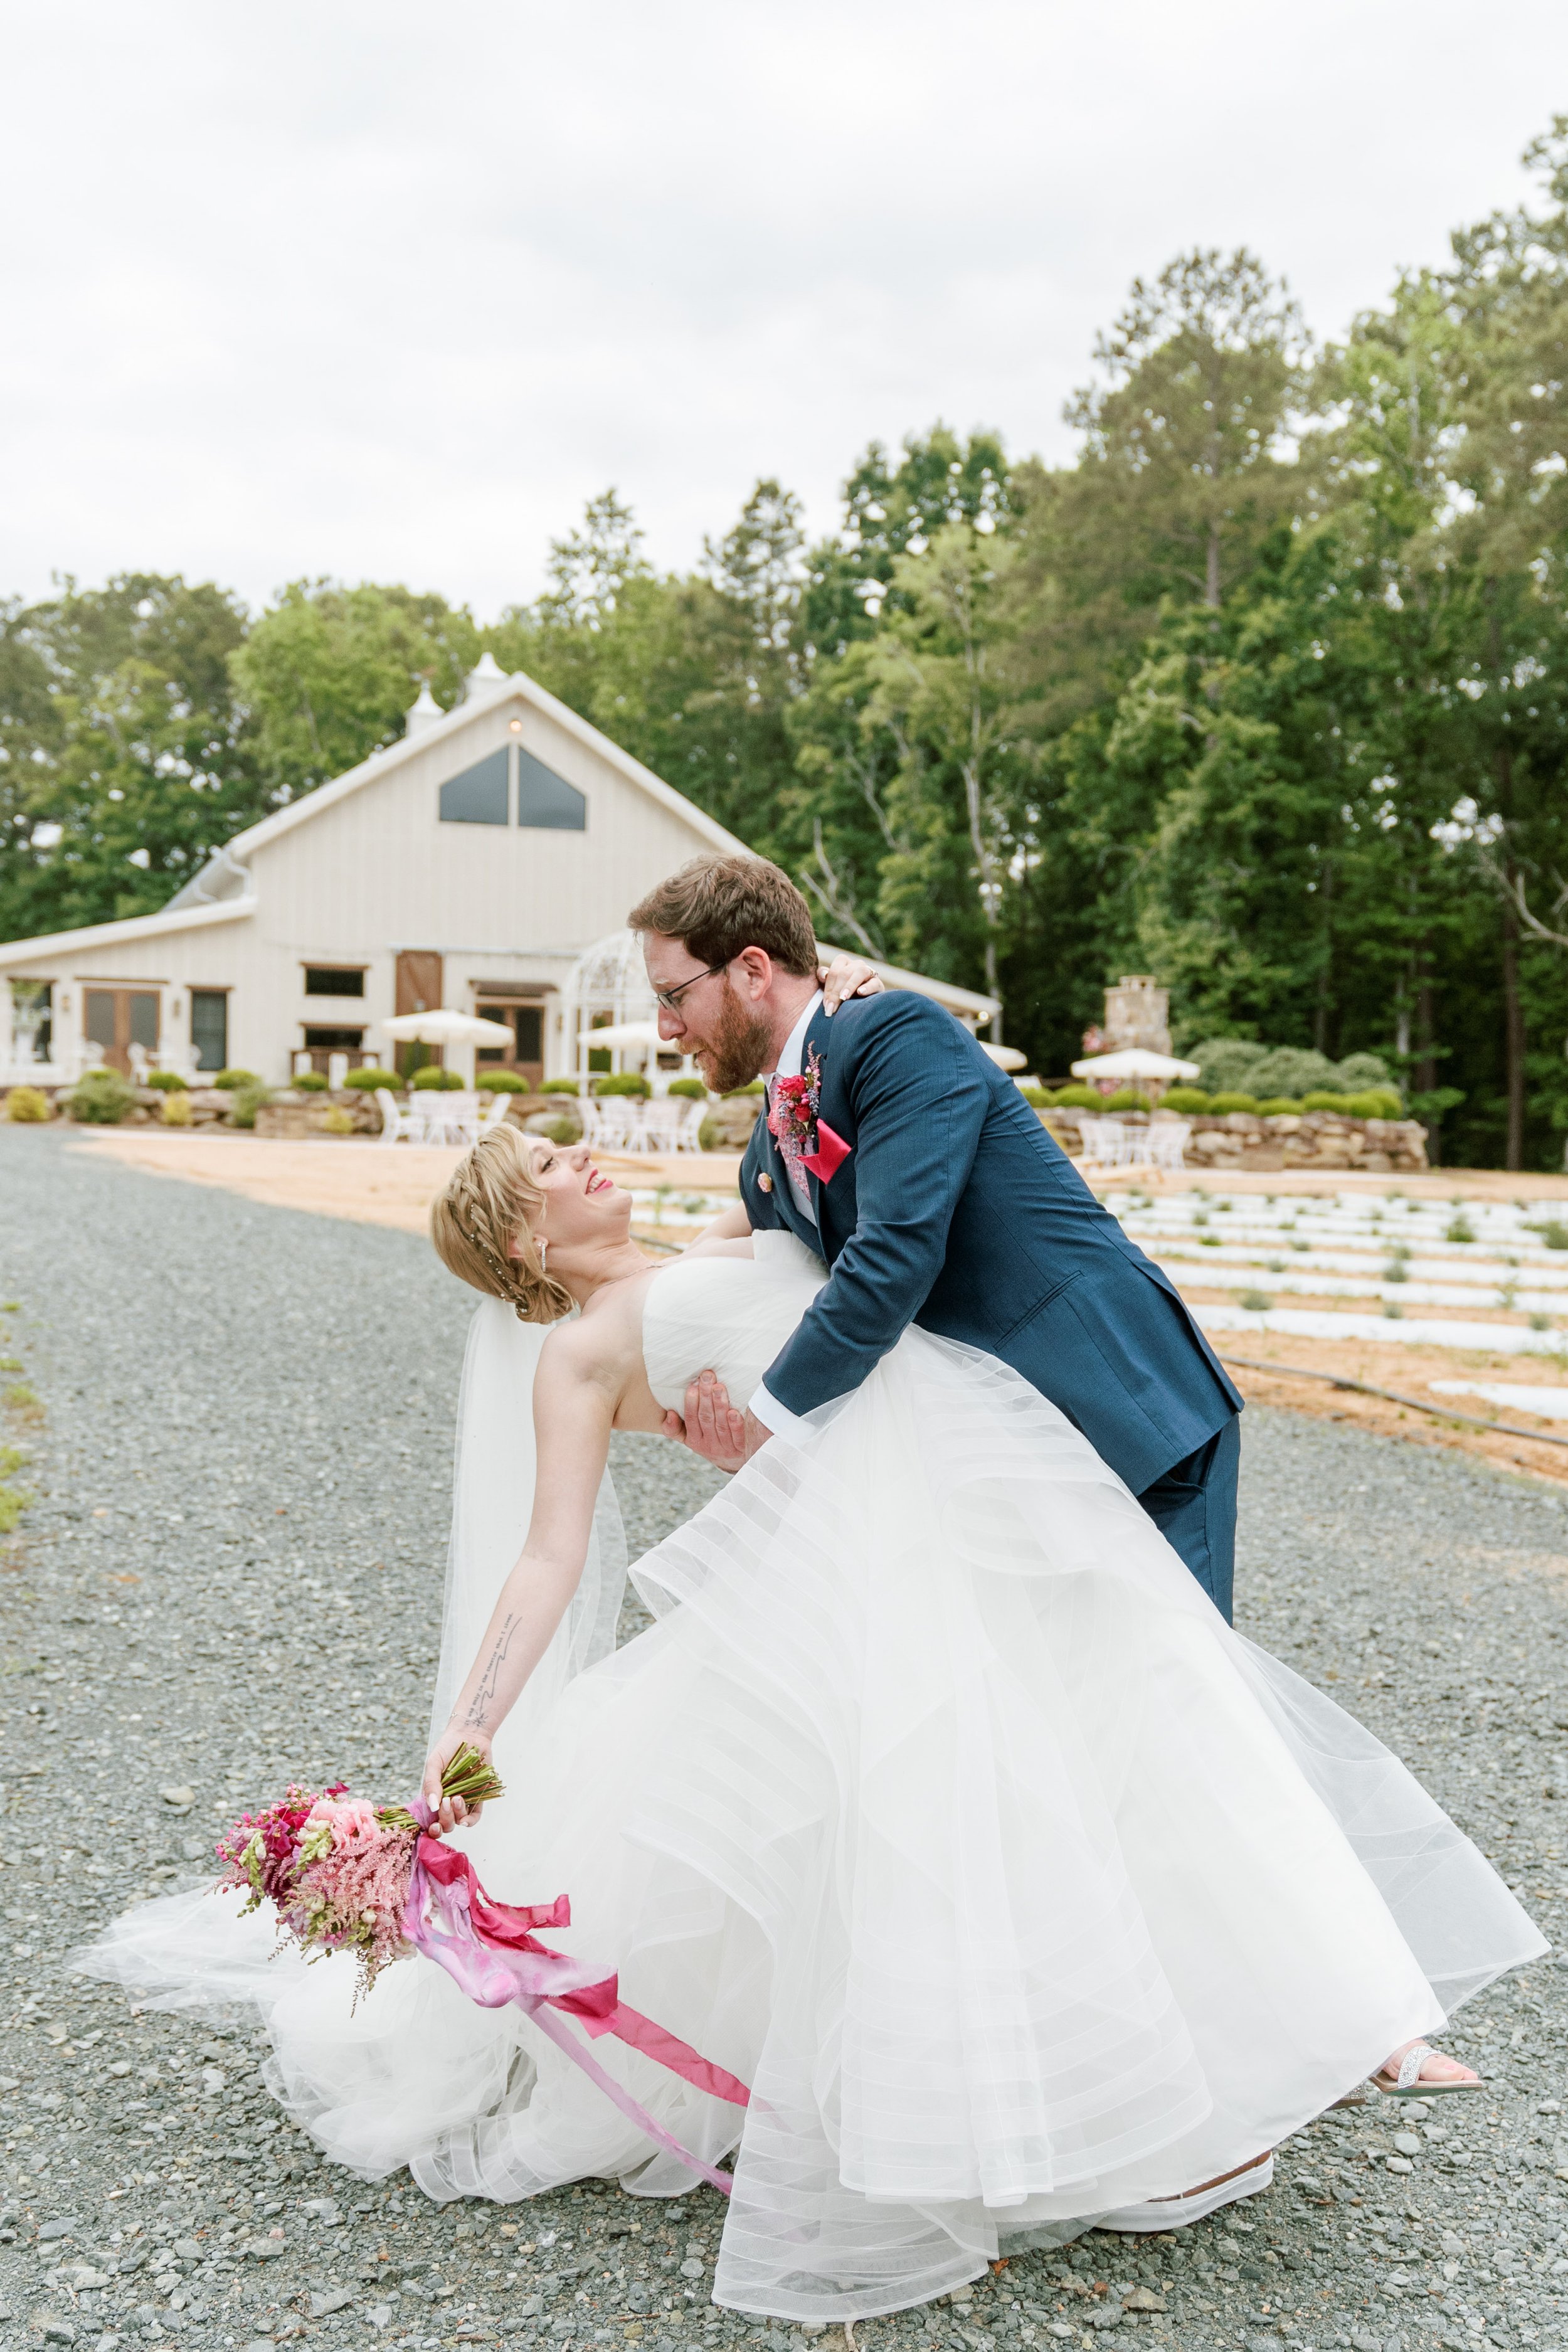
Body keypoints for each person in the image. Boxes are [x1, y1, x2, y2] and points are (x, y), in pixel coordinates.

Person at [78, 1121, 1542, 2327]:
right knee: (950, 1822)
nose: (590, 1154)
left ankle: (1322, 2021)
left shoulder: (716, 1237)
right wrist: (459, 1752)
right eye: (554, 1163)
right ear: (522, 1239)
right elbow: (546, 1553)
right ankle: (1060, 2105)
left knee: (1123, 1746)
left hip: (955, 1500)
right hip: (856, 1571)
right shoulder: (581, 1350)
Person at [627, 856, 1248, 1619]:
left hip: (1121, 1407)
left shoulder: (893, 1032)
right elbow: (764, 1269)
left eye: (672, 995)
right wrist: (642, 1310)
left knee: (1178, 1703)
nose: (665, 1028)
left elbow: (891, 1256)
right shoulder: (770, 1143)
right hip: (1006, 1464)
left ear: (753, 969)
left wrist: (769, 1429)